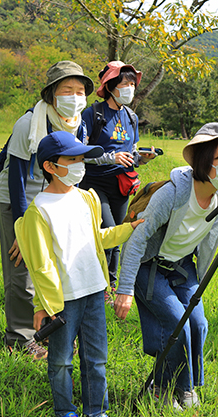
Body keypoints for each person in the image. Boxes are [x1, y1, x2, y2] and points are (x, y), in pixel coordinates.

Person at [114, 123, 218, 410]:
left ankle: (185, 387)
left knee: (199, 324)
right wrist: (125, 288)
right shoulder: (173, 194)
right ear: (205, 162)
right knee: (177, 323)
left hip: (182, 268)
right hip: (148, 267)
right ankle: (163, 389)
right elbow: (136, 240)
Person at [14, 131, 143, 417]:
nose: (80, 165)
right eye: (72, 159)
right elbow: (40, 263)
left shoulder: (88, 198)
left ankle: (96, 410)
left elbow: (97, 239)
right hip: (64, 302)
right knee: (60, 361)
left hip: (96, 292)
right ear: (50, 166)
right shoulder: (39, 210)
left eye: (82, 159)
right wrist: (42, 306)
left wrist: (129, 229)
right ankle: (65, 410)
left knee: (96, 359)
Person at [0, 60, 92, 360]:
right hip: (19, 199)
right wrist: (22, 230)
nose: (74, 97)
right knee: (22, 268)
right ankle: (20, 338)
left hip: (55, 198)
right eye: (67, 90)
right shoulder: (29, 124)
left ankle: (49, 328)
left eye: (79, 90)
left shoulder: (80, 124)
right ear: (51, 94)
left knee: (56, 265)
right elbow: (16, 177)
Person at [81, 61, 157, 293]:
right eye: (124, 84)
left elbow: (131, 154)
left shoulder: (131, 117)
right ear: (111, 86)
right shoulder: (93, 114)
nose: (130, 89)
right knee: (110, 231)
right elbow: (79, 154)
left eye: (132, 84)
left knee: (119, 236)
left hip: (121, 186)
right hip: (94, 184)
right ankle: (100, 286)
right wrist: (109, 158)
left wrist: (142, 158)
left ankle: (110, 285)